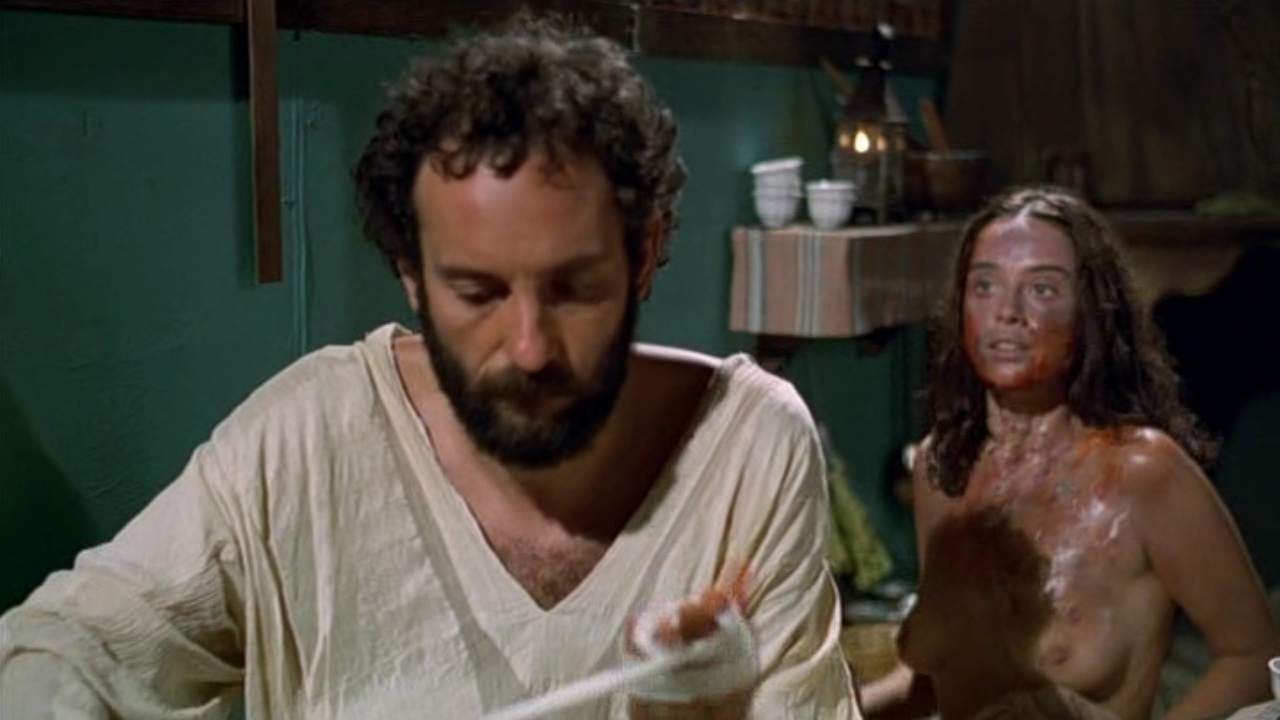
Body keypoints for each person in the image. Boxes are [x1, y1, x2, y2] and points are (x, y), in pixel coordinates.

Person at [0, 14, 860, 719]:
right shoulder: (309, 437)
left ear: (643, 255)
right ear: (411, 273)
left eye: (573, 288)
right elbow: (69, 649)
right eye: (477, 293)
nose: (529, 348)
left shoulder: (748, 447)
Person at [860, 186, 1280, 720]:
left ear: (1091, 315)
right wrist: (833, 707)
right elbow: (940, 673)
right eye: (985, 285)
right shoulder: (942, 468)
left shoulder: (1141, 473)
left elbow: (1253, 658)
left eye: (1041, 288)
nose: (1007, 312)